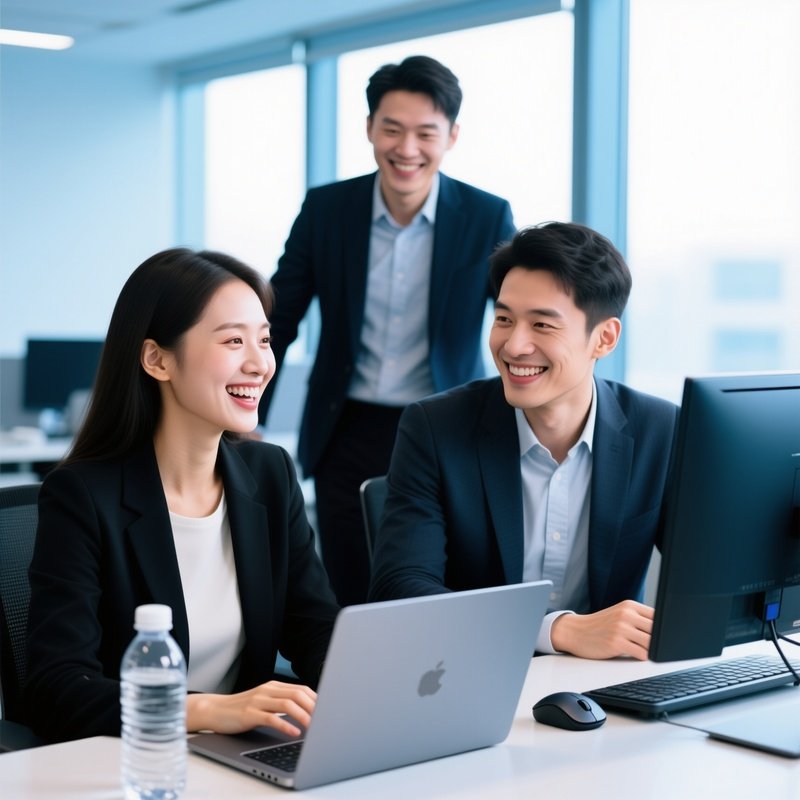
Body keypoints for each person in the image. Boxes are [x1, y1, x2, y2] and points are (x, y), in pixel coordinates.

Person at [25, 248, 340, 743]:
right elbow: (59, 688)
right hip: (140, 763)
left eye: (264, 340)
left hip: (243, 756)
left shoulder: (270, 474)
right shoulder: (83, 496)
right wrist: (212, 711)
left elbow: (316, 630)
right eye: (233, 341)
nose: (260, 364)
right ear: (158, 359)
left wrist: (371, 694)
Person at [258, 55, 515, 607]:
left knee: (438, 587)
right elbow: (277, 321)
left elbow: (519, 318)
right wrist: (246, 418)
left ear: (451, 136)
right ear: (369, 128)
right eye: (392, 129)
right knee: (351, 588)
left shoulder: (486, 216)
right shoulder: (327, 209)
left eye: (426, 133)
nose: (407, 149)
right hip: (346, 427)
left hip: (446, 428)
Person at [368, 222, 679, 660]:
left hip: (610, 687)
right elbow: (399, 590)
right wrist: (557, 631)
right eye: (504, 319)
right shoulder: (436, 427)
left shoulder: (659, 431)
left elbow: (711, 579)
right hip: (468, 673)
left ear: (604, 338)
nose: (514, 345)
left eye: (542, 325)